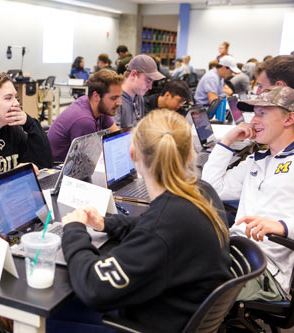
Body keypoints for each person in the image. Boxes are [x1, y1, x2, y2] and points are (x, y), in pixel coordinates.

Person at [59, 109, 231, 332]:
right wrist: (106, 223)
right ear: (190, 153)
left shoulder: (163, 226)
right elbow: (154, 227)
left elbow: (94, 287)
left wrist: (74, 230)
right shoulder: (201, 193)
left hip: (148, 321)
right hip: (176, 307)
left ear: (133, 155)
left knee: (50, 314)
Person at [202, 86, 294, 301]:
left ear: (289, 119)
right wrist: (226, 141)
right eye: (254, 113)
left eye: (262, 113)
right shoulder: (257, 160)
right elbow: (211, 187)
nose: (253, 120)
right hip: (233, 253)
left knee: (184, 281)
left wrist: (283, 226)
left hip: (264, 270)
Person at [47, 69, 122, 162]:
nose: (119, 102)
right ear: (96, 96)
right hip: (58, 170)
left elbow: (118, 138)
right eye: (114, 98)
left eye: (119, 97)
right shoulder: (84, 121)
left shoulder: (98, 106)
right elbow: (89, 162)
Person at [115, 55, 165, 129]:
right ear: (133, 75)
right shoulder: (115, 99)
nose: (150, 87)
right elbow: (115, 137)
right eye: (148, 80)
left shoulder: (139, 96)